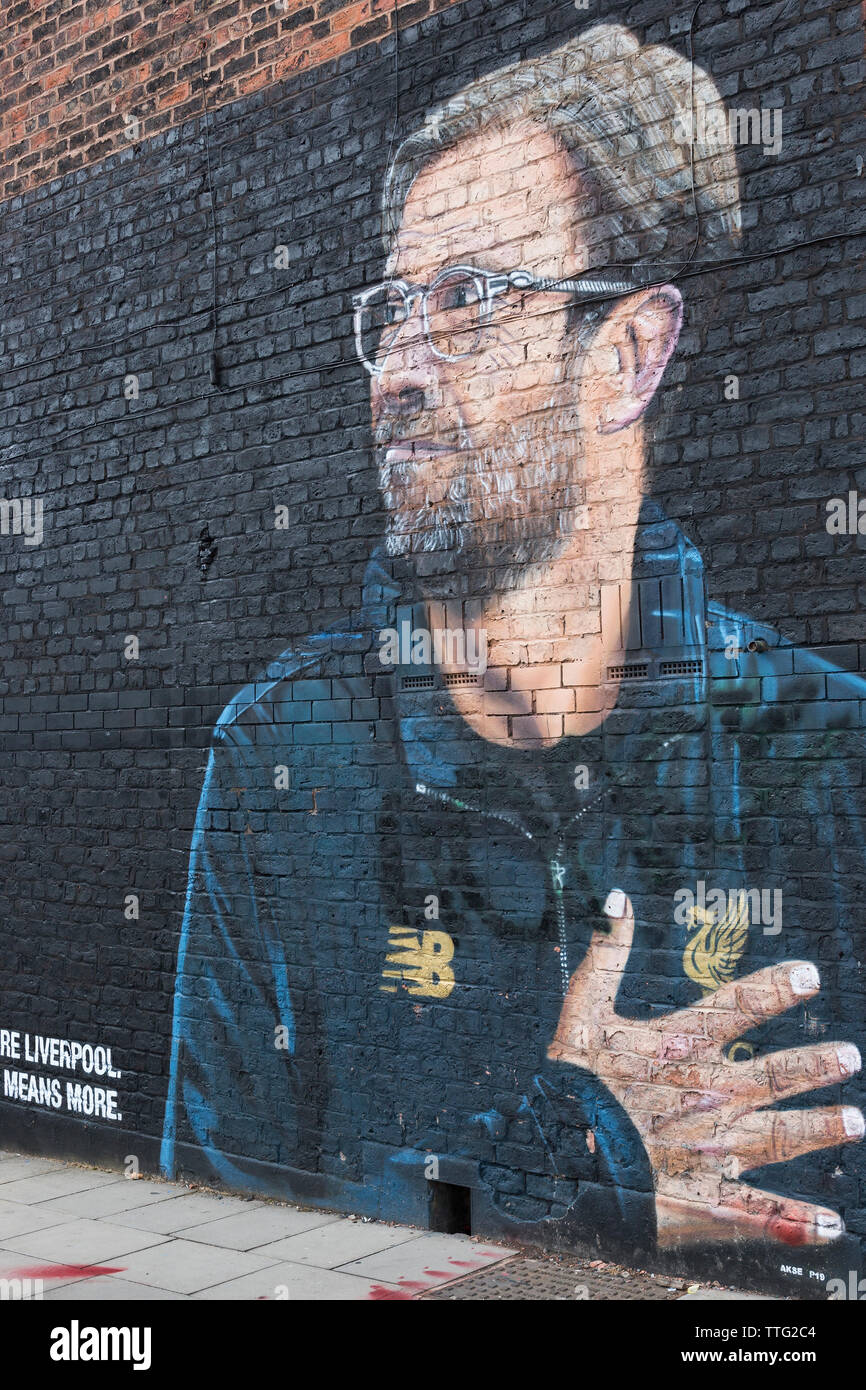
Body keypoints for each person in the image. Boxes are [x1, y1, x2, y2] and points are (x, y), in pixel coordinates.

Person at [162, 24, 864, 1263]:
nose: (397, 372)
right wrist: (565, 1163)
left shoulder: (822, 754)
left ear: (628, 357)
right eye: (392, 311)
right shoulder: (286, 754)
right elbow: (210, 1246)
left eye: (470, 299)